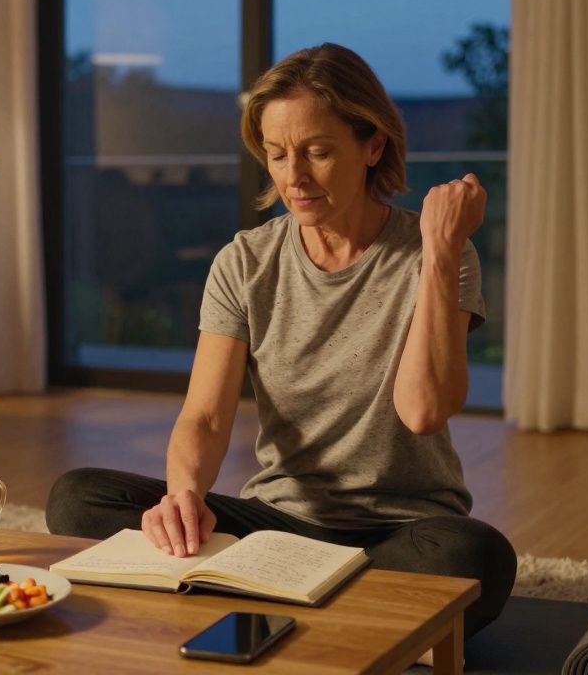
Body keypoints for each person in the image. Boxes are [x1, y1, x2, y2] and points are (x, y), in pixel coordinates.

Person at [47, 42, 516, 638]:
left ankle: (260, 601)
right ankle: (343, 612)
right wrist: (183, 497)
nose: (293, 176)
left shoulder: (439, 255)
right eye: (276, 154)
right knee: (77, 498)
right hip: (276, 523)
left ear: (373, 145)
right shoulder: (244, 262)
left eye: (318, 152)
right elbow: (206, 419)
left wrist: (441, 250)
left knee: (475, 559)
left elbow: (424, 411)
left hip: (401, 530)